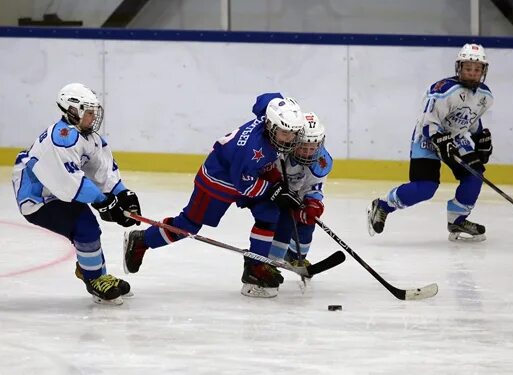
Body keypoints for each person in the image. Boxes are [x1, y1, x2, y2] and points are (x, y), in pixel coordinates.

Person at [123, 93, 305, 298]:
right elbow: (245, 186)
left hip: (245, 173)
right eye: (284, 133)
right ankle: (143, 240)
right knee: (188, 226)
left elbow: (266, 99)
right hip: (217, 182)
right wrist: (274, 191)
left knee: (269, 212)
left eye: (293, 133)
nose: (290, 139)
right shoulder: (250, 149)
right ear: (271, 127)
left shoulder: (269, 116)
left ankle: (256, 266)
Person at [11, 83, 142, 305]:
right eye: (89, 112)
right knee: (85, 227)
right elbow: (70, 181)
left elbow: (102, 171)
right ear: (73, 110)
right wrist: (104, 202)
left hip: (58, 191)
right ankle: (94, 279)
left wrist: (123, 194)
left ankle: (95, 273)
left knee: (88, 229)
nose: (94, 117)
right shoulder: (61, 138)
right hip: (37, 197)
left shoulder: (89, 137)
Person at [367, 43, 494, 242]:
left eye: (477, 69)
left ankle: (457, 220)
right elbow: (427, 122)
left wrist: (480, 138)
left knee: (474, 176)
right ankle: (382, 205)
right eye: (468, 68)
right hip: (427, 138)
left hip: (456, 138)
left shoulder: (485, 96)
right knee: (425, 188)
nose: (472, 73)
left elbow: (471, 118)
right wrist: (440, 141)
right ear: (459, 68)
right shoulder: (443, 90)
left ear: (483, 71)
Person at [268, 112, 332, 269]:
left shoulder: (321, 160)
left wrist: (313, 203)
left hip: (298, 194)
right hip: (276, 195)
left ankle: (296, 257)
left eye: (313, 147)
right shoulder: (278, 154)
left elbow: (314, 185)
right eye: (303, 147)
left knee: (307, 222)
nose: (308, 152)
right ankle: (269, 259)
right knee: (278, 222)